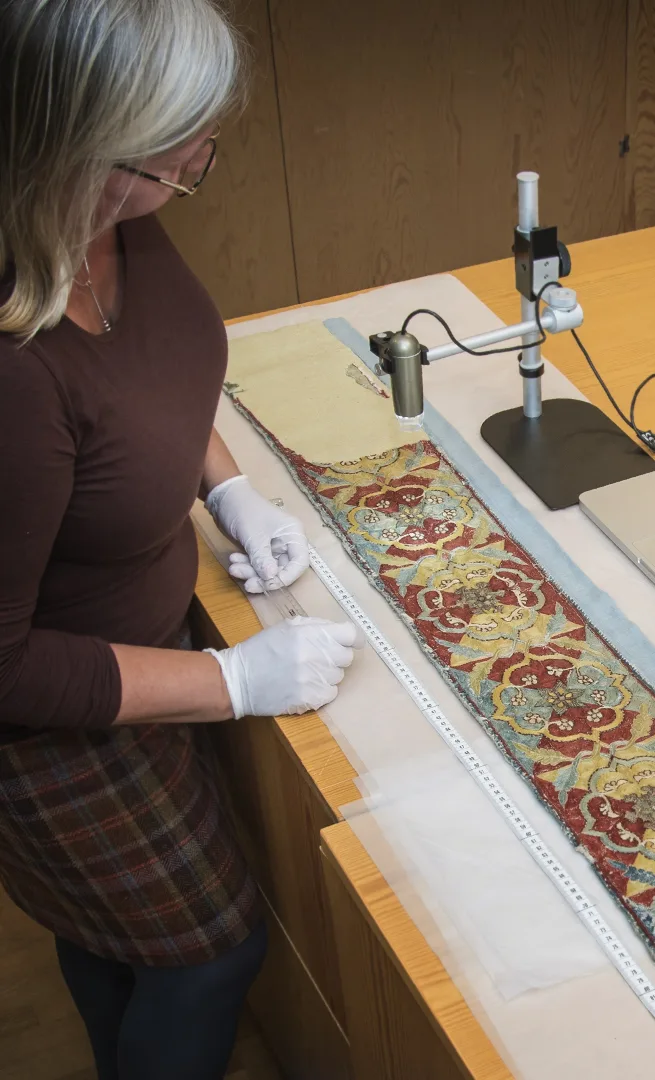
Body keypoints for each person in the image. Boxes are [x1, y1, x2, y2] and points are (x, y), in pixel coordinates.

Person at [0, 2, 360, 1077]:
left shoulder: (106, 212)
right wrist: (234, 681)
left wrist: (229, 488)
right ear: (77, 146)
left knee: (115, 933)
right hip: (53, 717)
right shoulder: (15, 373)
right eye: (175, 151)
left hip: (137, 637)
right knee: (211, 950)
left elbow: (144, 379)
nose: (200, 162)